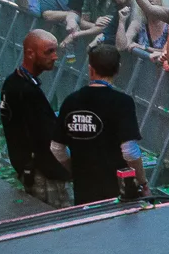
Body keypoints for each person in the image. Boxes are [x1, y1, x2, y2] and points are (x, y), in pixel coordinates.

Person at [53, 43, 143, 203]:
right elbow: (129, 151)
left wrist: (72, 171)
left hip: (83, 187)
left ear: (90, 69)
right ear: (118, 69)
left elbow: (57, 149)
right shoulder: (122, 102)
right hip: (119, 188)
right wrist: (142, 182)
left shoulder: (71, 101)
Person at [0, 28, 65, 199]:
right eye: (49, 52)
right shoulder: (25, 90)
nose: (55, 57)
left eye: (55, 51)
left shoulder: (13, 82)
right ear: (30, 53)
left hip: (30, 167)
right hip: (40, 173)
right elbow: (43, 135)